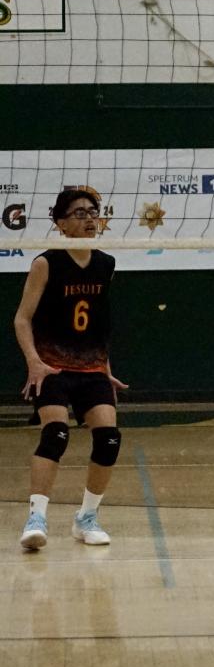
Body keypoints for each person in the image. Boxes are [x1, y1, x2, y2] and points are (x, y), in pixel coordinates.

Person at [15, 187, 125, 551]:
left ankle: (86, 518)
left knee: (109, 439)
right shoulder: (46, 263)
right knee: (56, 433)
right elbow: (22, 319)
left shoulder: (105, 264)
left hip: (91, 367)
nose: (89, 218)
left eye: (93, 212)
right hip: (52, 367)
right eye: (79, 213)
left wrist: (105, 368)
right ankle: (37, 518)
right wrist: (33, 361)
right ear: (61, 223)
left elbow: (99, 325)